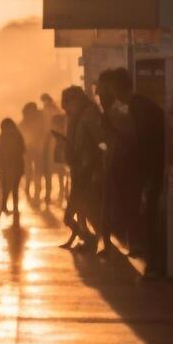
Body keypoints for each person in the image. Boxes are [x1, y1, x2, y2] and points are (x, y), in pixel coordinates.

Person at [104, 68, 166, 274]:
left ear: (118, 87)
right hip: (150, 167)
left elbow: (143, 141)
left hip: (150, 169)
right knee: (146, 214)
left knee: (148, 214)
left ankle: (154, 262)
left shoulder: (138, 107)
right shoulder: (139, 105)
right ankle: (152, 259)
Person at [96, 68, 138, 259]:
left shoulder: (121, 112)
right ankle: (108, 242)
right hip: (111, 165)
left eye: (102, 90)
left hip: (123, 166)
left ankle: (131, 243)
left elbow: (128, 139)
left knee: (124, 205)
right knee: (108, 205)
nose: (98, 95)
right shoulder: (108, 113)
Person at [61, 86, 104, 251]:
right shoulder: (79, 116)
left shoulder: (88, 116)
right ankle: (87, 239)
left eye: (67, 103)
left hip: (87, 169)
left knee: (83, 209)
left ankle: (91, 239)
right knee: (80, 209)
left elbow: (96, 141)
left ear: (76, 101)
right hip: (81, 169)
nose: (66, 108)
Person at [0, 118, 26, 217]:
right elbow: (23, 149)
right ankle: (14, 207)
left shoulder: (3, 136)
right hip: (16, 166)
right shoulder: (17, 134)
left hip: (7, 166)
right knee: (14, 187)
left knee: (6, 187)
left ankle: (4, 206)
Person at [39, 92, 64, 202]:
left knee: (52, 166)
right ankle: (57, 190)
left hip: (51, 139)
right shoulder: (55, 109)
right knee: (56, 167)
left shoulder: (49, 110)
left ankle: (55, 191)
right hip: (51, 139)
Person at [19, 102, 46, 201]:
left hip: (31, 148)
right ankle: (35, 189)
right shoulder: (39, 119)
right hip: (33, 148)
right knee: (34, 169)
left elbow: (20, 131)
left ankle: (31, 188)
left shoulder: (26, 120)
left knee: (30, 169)